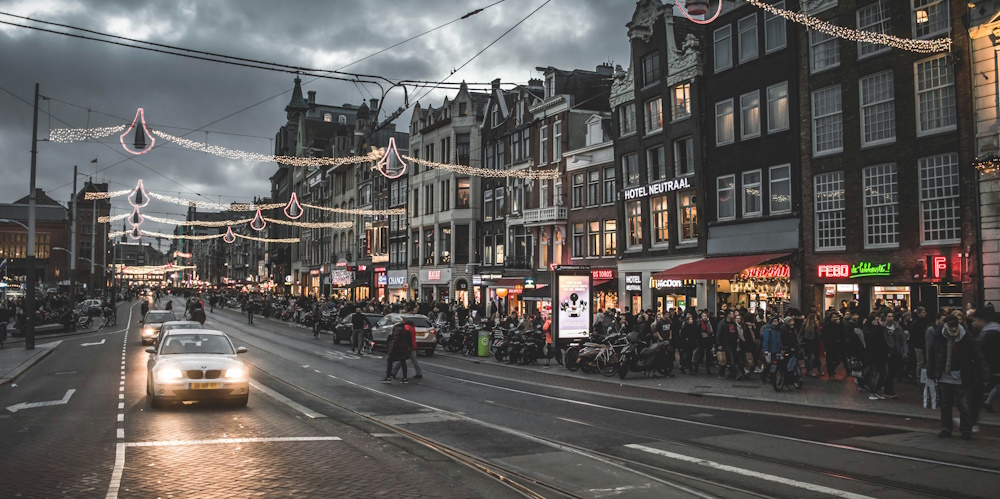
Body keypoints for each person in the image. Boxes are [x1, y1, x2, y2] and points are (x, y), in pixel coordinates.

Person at [927, 314, 990, 439]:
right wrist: (931, 373)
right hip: (945, 376)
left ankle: (966, 430)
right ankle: (946, 428)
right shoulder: (939, 336)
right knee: (945, 405)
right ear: (946, 326)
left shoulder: (966, 337)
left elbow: (978, 356)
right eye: (951, 328)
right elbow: (933, 355)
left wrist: (985, 375)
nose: (954, 330)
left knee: (964, 405)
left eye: (956, 327)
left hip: (962, 376)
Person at [864, 313, 889, 400]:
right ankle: (872, 391)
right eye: (876, 320)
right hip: (872, 354)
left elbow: (884, 341)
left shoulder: (881, 329)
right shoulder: (868, 329)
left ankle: (877, 389)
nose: (878, 322)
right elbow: (870, 337)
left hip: (881, 354)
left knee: (884, 372)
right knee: (873, 373)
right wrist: (877, 327)